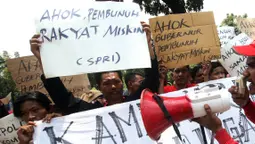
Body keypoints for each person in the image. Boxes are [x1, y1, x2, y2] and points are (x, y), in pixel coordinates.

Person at [29, 21, 159, 114]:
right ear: (98, 87)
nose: (113, 87)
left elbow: (152, 78)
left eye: (116, 82)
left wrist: (147, 43)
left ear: (122, 84)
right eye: (107, 83)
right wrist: (43, 60)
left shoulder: (137, 101)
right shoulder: (93, 111)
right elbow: (64, 100)